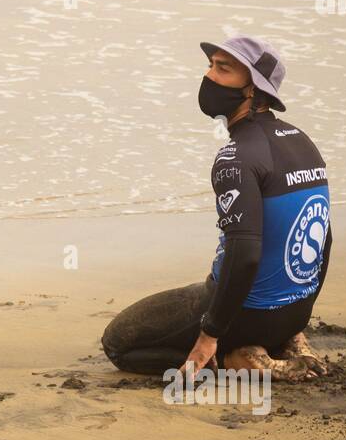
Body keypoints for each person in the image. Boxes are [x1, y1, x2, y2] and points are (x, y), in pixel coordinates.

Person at [102, 36, 333, 381]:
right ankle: (286, 339)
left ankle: (233, 359)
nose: (209, 76)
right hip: (295, 313)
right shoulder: (302, 141)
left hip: (246, 314)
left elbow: (245, 254)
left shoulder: (235, 157)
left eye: (223, 69)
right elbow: (324, 241)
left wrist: (209, 335)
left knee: (119, 341)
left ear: (253, 89)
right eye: (210, 65)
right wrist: (297, 314)